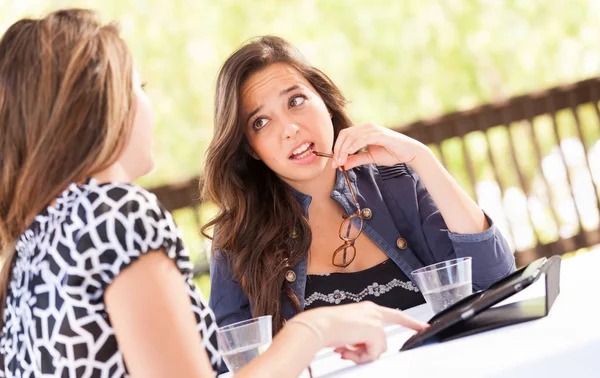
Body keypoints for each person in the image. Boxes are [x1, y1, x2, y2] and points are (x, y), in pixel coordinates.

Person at [0, 9, 428, 378]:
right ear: (102, 108)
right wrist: (313, 329)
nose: (149, 105)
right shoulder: (115, 216)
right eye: (139, 87)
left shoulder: (31, 246)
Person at [204, 36, 516, 333]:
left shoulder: (396, 183)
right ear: (250, 149)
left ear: (324, 102)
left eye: (296, 100)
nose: (290, 128)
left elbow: (496, 280)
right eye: (261, 122)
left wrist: (422, 159)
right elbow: (235, 361)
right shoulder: (238, 237)